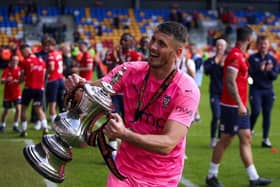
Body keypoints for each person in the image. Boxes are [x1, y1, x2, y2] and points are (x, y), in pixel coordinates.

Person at [65, 21, 200, 187]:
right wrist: (78, 85)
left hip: (161, 178)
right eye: (153, 40)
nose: (153, 47)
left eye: (161, 44)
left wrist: (124, 134)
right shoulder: (129, 71)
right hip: (123, 172)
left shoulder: (186, 90)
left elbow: (168, 143)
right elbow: (93, 91)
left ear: (178, 53)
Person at [205, 26, 272, 187]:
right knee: (226, 139)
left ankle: (253, 178)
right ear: (249, 39)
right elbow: (229, 81)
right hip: (232, 106)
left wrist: (243, 104)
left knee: (246, 137)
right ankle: (211, 176)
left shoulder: (241, 55)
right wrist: (240, 104)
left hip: (240, 106)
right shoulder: (235, 55)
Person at [248, 35, 279, 148]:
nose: (263, 46)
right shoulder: (252, 58)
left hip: (268, 90)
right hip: (256, 89)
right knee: (255, 111)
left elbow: (275, 76)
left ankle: (265, 139)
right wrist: (260, 70)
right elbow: (249, 74)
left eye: (265, 44)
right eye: (261, 44)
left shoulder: (273, 59)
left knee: (267, 114)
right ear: (257, 45)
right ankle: (249, 131)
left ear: (268, 45)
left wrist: (269, 71)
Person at [19, 44, 49, 137]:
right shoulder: (41, 61)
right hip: (40, 89)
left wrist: (18, 81)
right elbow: (45, 76)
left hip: (29, 89)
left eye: (22, 52)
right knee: (39, 109)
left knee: (23, 109)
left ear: (26, 51)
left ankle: (24, 130)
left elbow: (22, 77)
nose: (22, 54)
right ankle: (45, 128)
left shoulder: (25, 62)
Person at [204, 38, 227, 148]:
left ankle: (219, 139)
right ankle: (213, 138)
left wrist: (224, 66)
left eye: (222, 45)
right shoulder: (211, 60)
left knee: (223, 117)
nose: (219, 47)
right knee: (216, 115)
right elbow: (206, 70)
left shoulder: (228, 61)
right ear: (215, 47)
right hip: (215, 93)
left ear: (225, 47)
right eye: (218, 45)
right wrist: (215, 62)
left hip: (226, 94)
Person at [0, 55, 21, 133]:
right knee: (6, 110)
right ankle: (2, 125)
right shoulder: (7, 70)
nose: (15, 62)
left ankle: (15, 125)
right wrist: (6, 80)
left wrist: (18, 81)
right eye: (14, 60)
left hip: (16, 93)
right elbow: (2, 81)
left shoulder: (19, 70)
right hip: (8, 94)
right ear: (11, 61)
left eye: (17, 60)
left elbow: (22, 79)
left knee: (18, 109)